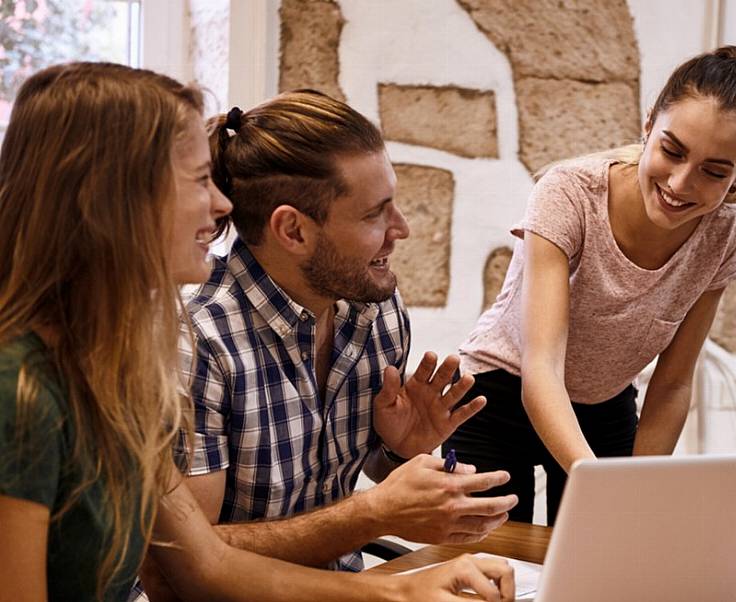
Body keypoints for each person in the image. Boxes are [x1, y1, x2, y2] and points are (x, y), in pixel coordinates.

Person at [0, 61, 513, 601]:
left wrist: (404, 590)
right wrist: (373, 525)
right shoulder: (23, 390)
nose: (223, 205)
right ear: (115, 200)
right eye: (200, 181)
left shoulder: (116, 360)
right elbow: (174, 579)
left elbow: (208, 562)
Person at [177, 90, 518, 573]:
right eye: (374, 213)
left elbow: (367, 473)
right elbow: (187, 565)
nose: (400, 229)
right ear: (293, 231)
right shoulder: (197, 342)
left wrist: (402, 450)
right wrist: (368, 516)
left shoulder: (373, 310)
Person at [446, 45, 736, 523]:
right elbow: (541, 367)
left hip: (604, 404)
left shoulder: (724, 234)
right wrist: (602, 485)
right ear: (648, 126)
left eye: (714, 171)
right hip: (497, 392)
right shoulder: (568, 193)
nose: (681, 183)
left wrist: (635, 492)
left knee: (603, 563)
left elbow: (673, 383)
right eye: (672, 151)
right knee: (489, 571)